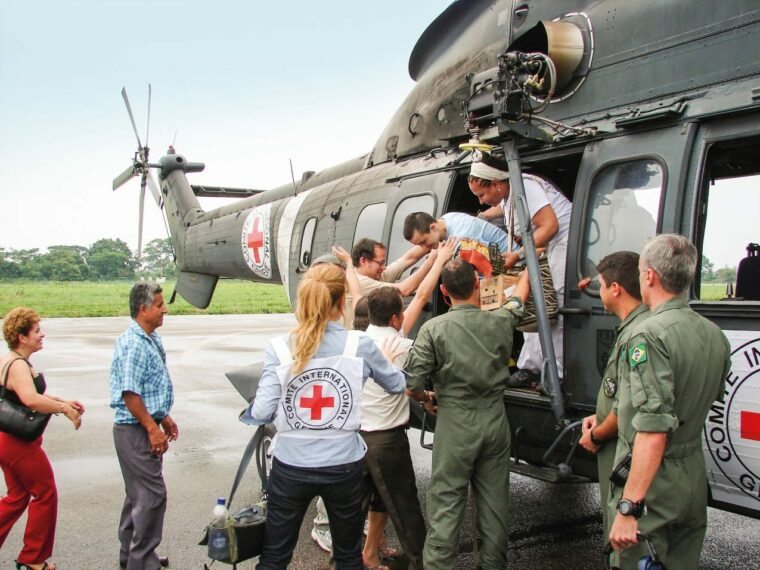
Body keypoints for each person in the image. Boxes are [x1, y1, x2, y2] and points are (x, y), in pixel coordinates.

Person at [242, 264, 407, 569]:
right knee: (347, 556)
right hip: (343, 466)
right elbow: (397, 385)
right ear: (341, 300)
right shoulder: (360, 345)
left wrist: (251, 411)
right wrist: (386, 361)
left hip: (291, 466)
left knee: (275, 556)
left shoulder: (278, 349)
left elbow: (263, 411)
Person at [608, 234, 731, 569]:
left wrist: (628, 508)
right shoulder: (713, 335)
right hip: (691, 480)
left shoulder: (647, 335)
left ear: (649, 276)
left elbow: (653, 429)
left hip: (653, 485)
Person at [404, 259, 529, 570]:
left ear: (444, 292)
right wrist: (530, 265)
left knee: (446, 505)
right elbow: (518, 299)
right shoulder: (501, 320)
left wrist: (426, 398)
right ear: (477, 285)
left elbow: (411, 384)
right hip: (495, 420)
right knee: (495, 507)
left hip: (455, 422)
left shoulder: (434, 329)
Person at [360, 237, 458, 570]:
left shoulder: (360, 341)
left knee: (374, 500)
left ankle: (367, 556)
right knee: (405, 508)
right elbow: (419, 299)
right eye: (401, 314)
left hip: (355, 438)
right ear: (395, 319)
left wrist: (435, 261)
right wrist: (428, 398)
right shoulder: (401, 347)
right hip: (386, 441)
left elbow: (414, 301)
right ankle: (422, 564)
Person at [468, 152, 572, 386]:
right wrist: (481, 217)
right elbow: (501, 208)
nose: (481, 200)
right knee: (528, 302)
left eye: (482, 194)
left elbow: (550, 226)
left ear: (496, 183)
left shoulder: (525, 187)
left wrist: (517, 254)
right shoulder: (509, 192)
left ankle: (557, 374)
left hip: (561, 246)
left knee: (551, 304)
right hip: (545, 249)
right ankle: (532, 366)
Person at [0, 308, 83, 570]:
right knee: (45, 493)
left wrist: (61, 400)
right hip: (17, 444)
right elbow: (30, 399)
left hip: (8, 440)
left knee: (17, 497)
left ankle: (31, 557)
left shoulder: (13, 360)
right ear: (22, 336)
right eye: (36, 330)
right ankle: (33, 558)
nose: (42, 334)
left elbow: (24, 396)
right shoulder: (17, 365)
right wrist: (64, 409)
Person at [577, 252, 650, 548]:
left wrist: (595, 434)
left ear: (616, 289)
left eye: (603, 285)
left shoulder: (637, 335)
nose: (600, 290)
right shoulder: (641, 325)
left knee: (624, 547)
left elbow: (628, 409)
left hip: (626, 450)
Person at [110, 283, 176, 570]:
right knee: (152, 496)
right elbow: (130, 393)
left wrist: (163, 417)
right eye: (160, 305)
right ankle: (142, 560)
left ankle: (133, 555)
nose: (164, 310)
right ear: (143, 309)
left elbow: (148, 388)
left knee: (137, 494)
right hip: (134, 430)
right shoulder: (135, 343)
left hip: (140, 424)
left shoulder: (150, 338)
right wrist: (151, 428)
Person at [343, 238, 435, 328]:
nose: (384, 267)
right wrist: (431, 261)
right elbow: (403, 290)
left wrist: (431, 240)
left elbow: (408, 259)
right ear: (363, 261)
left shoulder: (375, 274)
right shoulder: (358, 281)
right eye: (380, 263)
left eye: (384, 262)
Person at [403, 211, 510, 277]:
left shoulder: (461, 238)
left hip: (515, 266)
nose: (425, 248)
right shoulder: (446, 219)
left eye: (424, 242)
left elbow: (498, 265)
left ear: (433, 227)